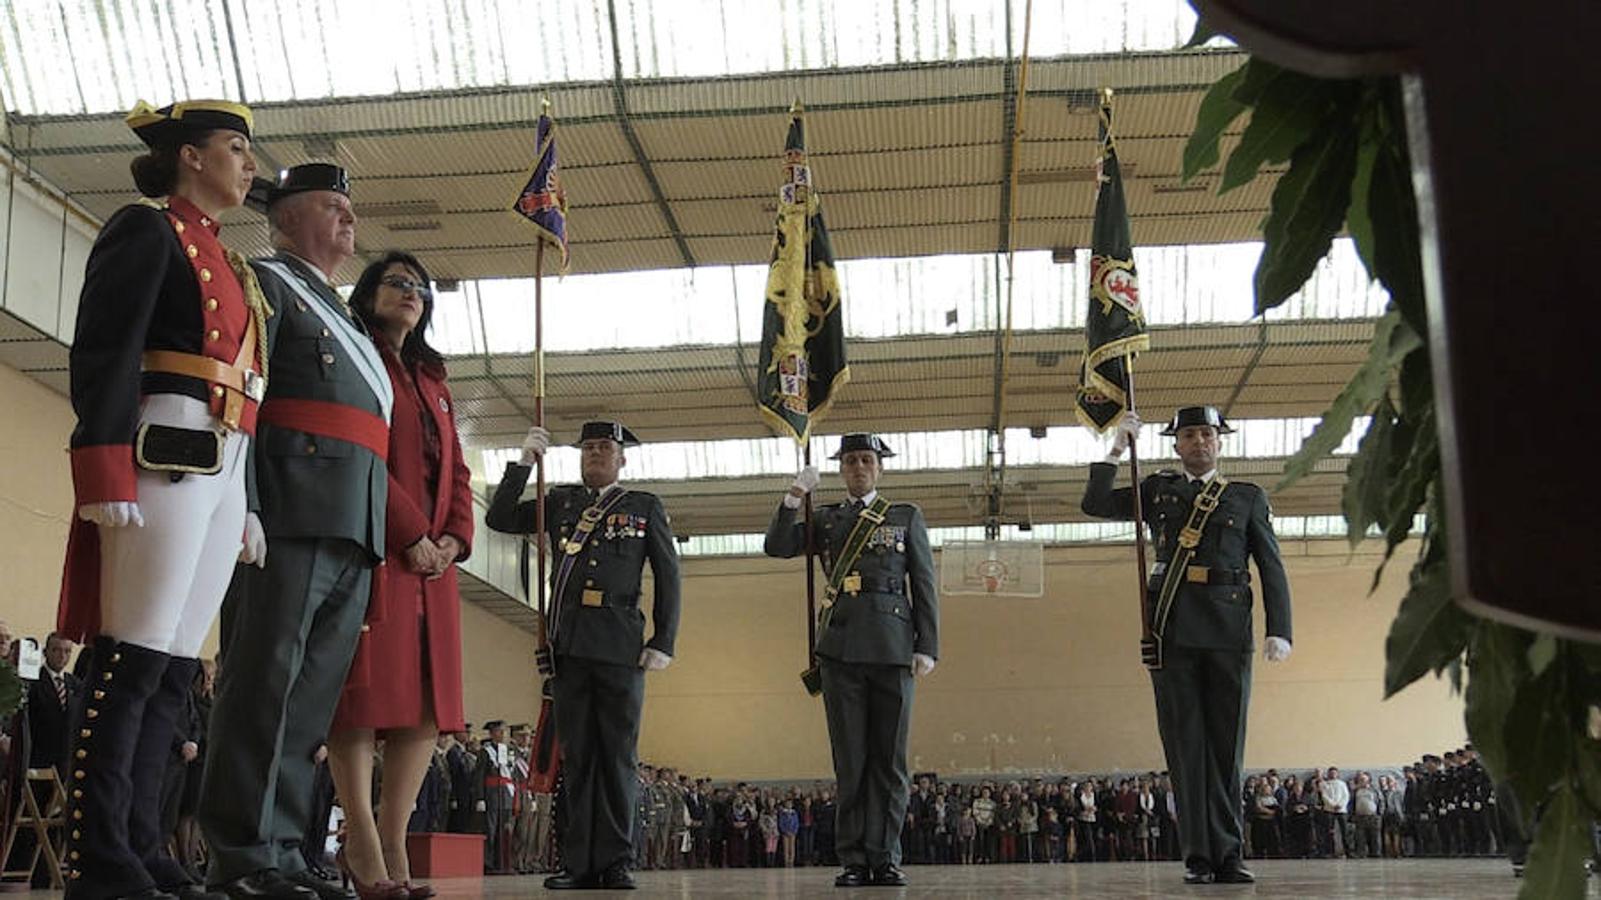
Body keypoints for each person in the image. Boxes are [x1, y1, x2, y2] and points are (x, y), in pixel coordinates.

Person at [55, 97, 263, 900]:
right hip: (162, 446)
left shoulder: (230, 260)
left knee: (175, 669)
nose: (249, 165)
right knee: (132, 659)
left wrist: (245, 498)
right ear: (189, 155)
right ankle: (99, 856)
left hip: (223, 458)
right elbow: (105, 349)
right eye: (235, 148)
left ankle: (143, 844)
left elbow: (249, 387)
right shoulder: (146, 229)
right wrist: (102, 466)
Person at [199, 162, 390, 900]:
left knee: (307, 704)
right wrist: (240, 499)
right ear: (282, 218)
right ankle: (242, 856)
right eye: (331, 206)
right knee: (262, 688)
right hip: (287, 509)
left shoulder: (345, 316)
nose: (348, 219)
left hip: (349, 520)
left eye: (350, 207)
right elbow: (243, 395)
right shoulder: (264, 283)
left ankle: (281, 849)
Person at [1082, 406, 1292, 885]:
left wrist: (1280, 627)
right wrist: (1116, 449)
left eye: (1207, 434)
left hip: (1227, 628)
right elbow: (1094, 504)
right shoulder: (1158, 489)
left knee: (1225, 747)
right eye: (1190, 435)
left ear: (1220, 442)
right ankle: (1198, 855)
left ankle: (1230, 853)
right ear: (1176, 444)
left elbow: (1270, 565)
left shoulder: (1246, 497)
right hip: (1171, 629)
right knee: (1184, 748)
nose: (1199, 442)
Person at [324, 250, 473, 900]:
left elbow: (458, 474)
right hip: (376, 550)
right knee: (359, 700)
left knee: (422, 707)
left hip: (432, 570)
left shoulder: (432, 379)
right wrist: (411, 532)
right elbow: (359, 451)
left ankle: (393, 843)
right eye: (397, 282)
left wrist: (451, 540)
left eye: (419, 287)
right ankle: (358, 838)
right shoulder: (357, 353)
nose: (410, 292)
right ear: (369, 292)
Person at [485, 421, 682, 890]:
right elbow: (498, 518)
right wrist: (522, 464)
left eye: (605, 448)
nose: (595, 454)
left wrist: (663, 640)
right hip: (569, 645)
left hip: (620, 646)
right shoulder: (560, 503)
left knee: (616, 756)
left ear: (622, 457)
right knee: (576, 758)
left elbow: (669, 574)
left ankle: (614, 860)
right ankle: (576, 862)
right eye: (589, 447)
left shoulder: (643, 506)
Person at [764, 433, 940, 888]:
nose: (858, 467)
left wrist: (927, 646)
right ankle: (854, 860)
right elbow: (778, 546)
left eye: (866, 460)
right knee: (851, 761)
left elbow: (923, 583)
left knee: (890, 762)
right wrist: (794, 496)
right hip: (840, 650)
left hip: (893, 646)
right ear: (840, 469)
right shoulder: (825, 519)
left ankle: (885, 857)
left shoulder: (904, 517)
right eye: (850, 461)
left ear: (879, 467)